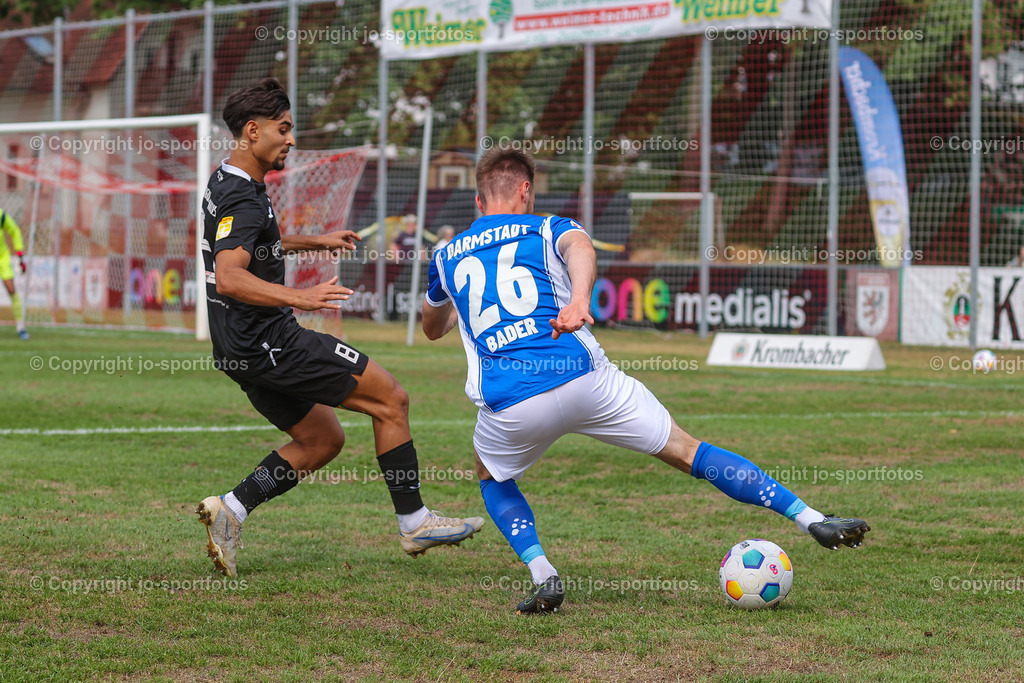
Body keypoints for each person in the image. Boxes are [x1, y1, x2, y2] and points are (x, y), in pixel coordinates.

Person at [421, 148, 870, 614]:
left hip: (512, 402)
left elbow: (432, 328)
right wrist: (577, 300)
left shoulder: (445, 254)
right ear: (525, 190)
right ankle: (811, 517)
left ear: (478, 201)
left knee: (490, 474)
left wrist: (460, 307)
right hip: (583, 380)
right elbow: (581, 248)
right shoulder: (548, 226)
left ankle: (544, 574)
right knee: (687, 450)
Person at [196, 78, 483, 578]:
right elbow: (230, 275)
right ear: (252, 129)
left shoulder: (227, 181)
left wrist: (311, 242)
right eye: (283, 130)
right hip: (270, 342)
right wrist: (301, 297)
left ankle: (230, 510)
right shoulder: (244, 199)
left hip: (237, 349)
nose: (290, 140)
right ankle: (415, 521)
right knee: (391, 399)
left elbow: (249, 245)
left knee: (321, 440)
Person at [0, 208, 29, 340]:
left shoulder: (1, 216)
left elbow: (15, 231)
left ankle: (21, 327)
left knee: (11, 290)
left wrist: (20, 255)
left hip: (2, 258)